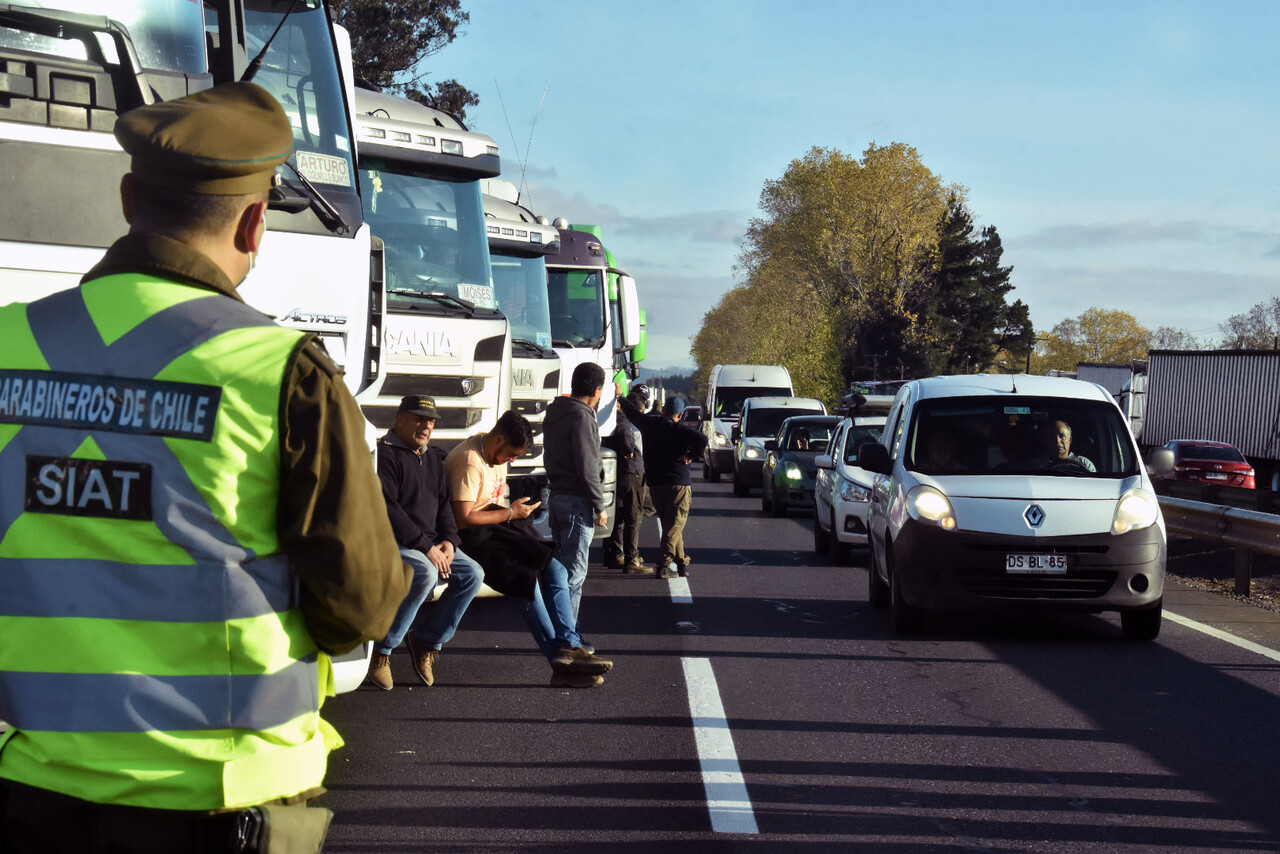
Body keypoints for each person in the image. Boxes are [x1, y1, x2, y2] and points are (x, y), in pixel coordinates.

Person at [0, 83, 411, 852]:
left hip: (32, 793)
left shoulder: (8, 344)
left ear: (128, 199)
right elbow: (362, 604)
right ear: (256, 223)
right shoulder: (281, 372)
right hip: (221, 803)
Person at [445, 411, 613, 688]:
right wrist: (511, 513)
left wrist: (516, 513)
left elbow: (494, 503)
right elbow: (464, 518)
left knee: (554, 566)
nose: (511, 461)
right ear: (498, 439)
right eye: (511, 454)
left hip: (497, 527)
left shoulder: (492, 452)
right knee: (525, 580)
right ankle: (561, 664)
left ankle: (568, 644)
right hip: (471, 536)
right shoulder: (469, 462)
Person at [366, 395, 485, 691]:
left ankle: (427, 640)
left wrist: (449, 542)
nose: (426, 426)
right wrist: (427, 547)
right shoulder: (385, 455)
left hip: (431, 544)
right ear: (399, 419)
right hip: (394, 543)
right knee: (425, 573)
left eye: (430, 421)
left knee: (473, 575)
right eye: (419, 419)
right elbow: (388, 509)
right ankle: (382, 651)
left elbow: (445, 506)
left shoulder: (433, 458)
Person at [544, 362, 612, 626]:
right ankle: (567, 635)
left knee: (560, 571)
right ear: (597, 390)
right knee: (574, 574)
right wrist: (599, 505)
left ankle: (557, 628)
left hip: (557, 497)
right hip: (576, 503)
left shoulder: (556, 411)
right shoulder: (582, 416)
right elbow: (587, 465)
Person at [619, 388, 709, 579]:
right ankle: (664, 565)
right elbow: (702, 439)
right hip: (679, 483)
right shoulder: (678, 428)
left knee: (671, 525)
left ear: (664, 409)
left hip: (656, 483)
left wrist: (620, 397)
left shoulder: (649, 423)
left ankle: (682, 562)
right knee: (673, 526)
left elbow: (633, 412)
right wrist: (690, 456)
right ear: (681, 414)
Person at [603, 384, 654, 574]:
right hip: (633, 473)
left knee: (619, 516)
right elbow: (626, 437)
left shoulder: (613, 419)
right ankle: (632, 559)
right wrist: (630, 450)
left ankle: (616, 554)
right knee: (634, 516)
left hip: (621, 473)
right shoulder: (624, 420)